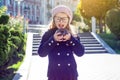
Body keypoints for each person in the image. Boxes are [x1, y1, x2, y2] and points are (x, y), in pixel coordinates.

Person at [38, 5, 84, 80]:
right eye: (58, 19)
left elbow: (80, 53)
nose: (61, 21)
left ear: (68, 20)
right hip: (54, 75)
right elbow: (41, 53)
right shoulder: (48, 34)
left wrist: (70, 39)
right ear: (54, 19)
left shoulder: (72, 34)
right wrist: (53, 39)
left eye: (64, 19)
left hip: (71, 74)